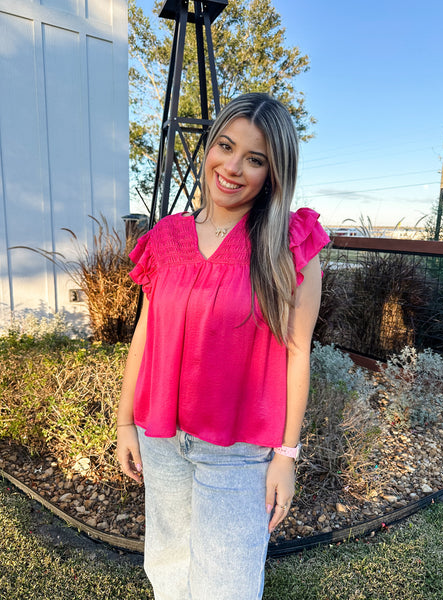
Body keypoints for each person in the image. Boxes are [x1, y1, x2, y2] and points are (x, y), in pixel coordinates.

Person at [116, 92, 330, 600]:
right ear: (210, 146)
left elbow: (298, 353)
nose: (232, 168)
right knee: (168, 570)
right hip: (161, 438)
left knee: (226, 587)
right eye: (226, 147)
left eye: (254, 159)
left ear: (273, 172)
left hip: (238, 452)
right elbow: (146, 335)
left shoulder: (288, 245)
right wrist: (126, 421)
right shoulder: (166, 237)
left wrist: (287, 456)